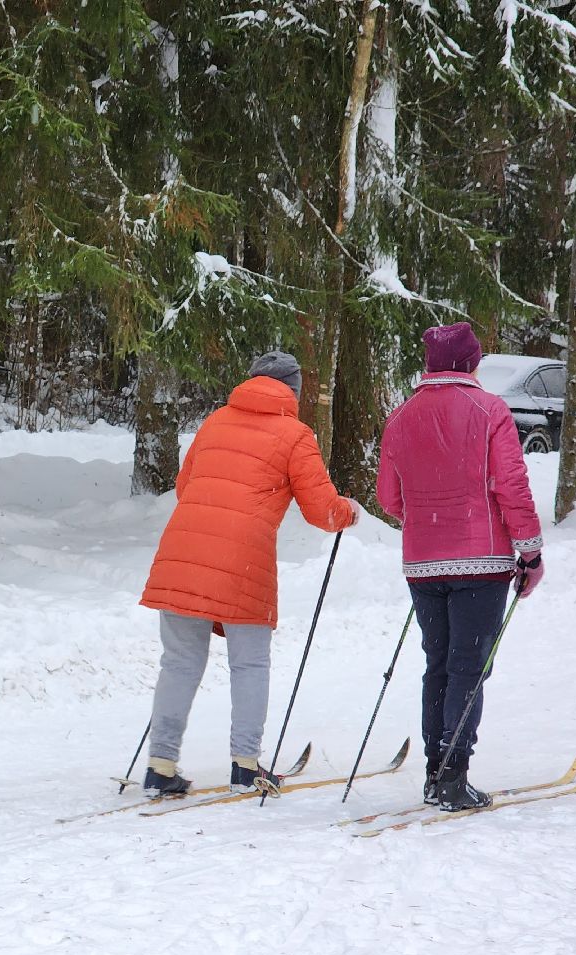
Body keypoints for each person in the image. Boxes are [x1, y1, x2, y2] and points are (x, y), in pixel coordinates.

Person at [139, 351, 360, 797]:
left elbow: (186, 486)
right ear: (293, 391)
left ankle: (160, 766)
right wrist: (347, 513)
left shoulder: (216, 421)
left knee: (179, 662)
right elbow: (321, 510)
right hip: (243, 558)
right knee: (250, 663)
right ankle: (245, 765)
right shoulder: (296, 435)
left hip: (182, 550)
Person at [376, 322, 543, 812]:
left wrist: (427, 522)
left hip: (423, 564)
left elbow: (390, 497)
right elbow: (510, 484)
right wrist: (529, 551)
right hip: (481, 562)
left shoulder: (401, 416)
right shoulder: (490, 410)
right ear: (471, 363)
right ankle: (452, 777)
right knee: (468, 669)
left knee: (439, 666)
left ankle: (435, 772)